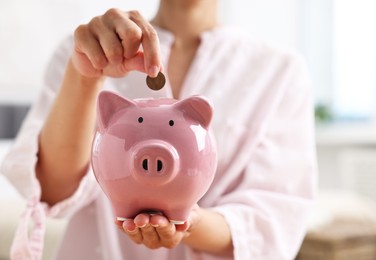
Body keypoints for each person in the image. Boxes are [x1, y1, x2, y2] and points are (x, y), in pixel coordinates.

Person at [1, 0, 317, 259]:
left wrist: (188, 221)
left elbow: (271, 221)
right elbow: (52, 190)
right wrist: (85, 78)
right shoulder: (87, 48)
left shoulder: (280, 70)